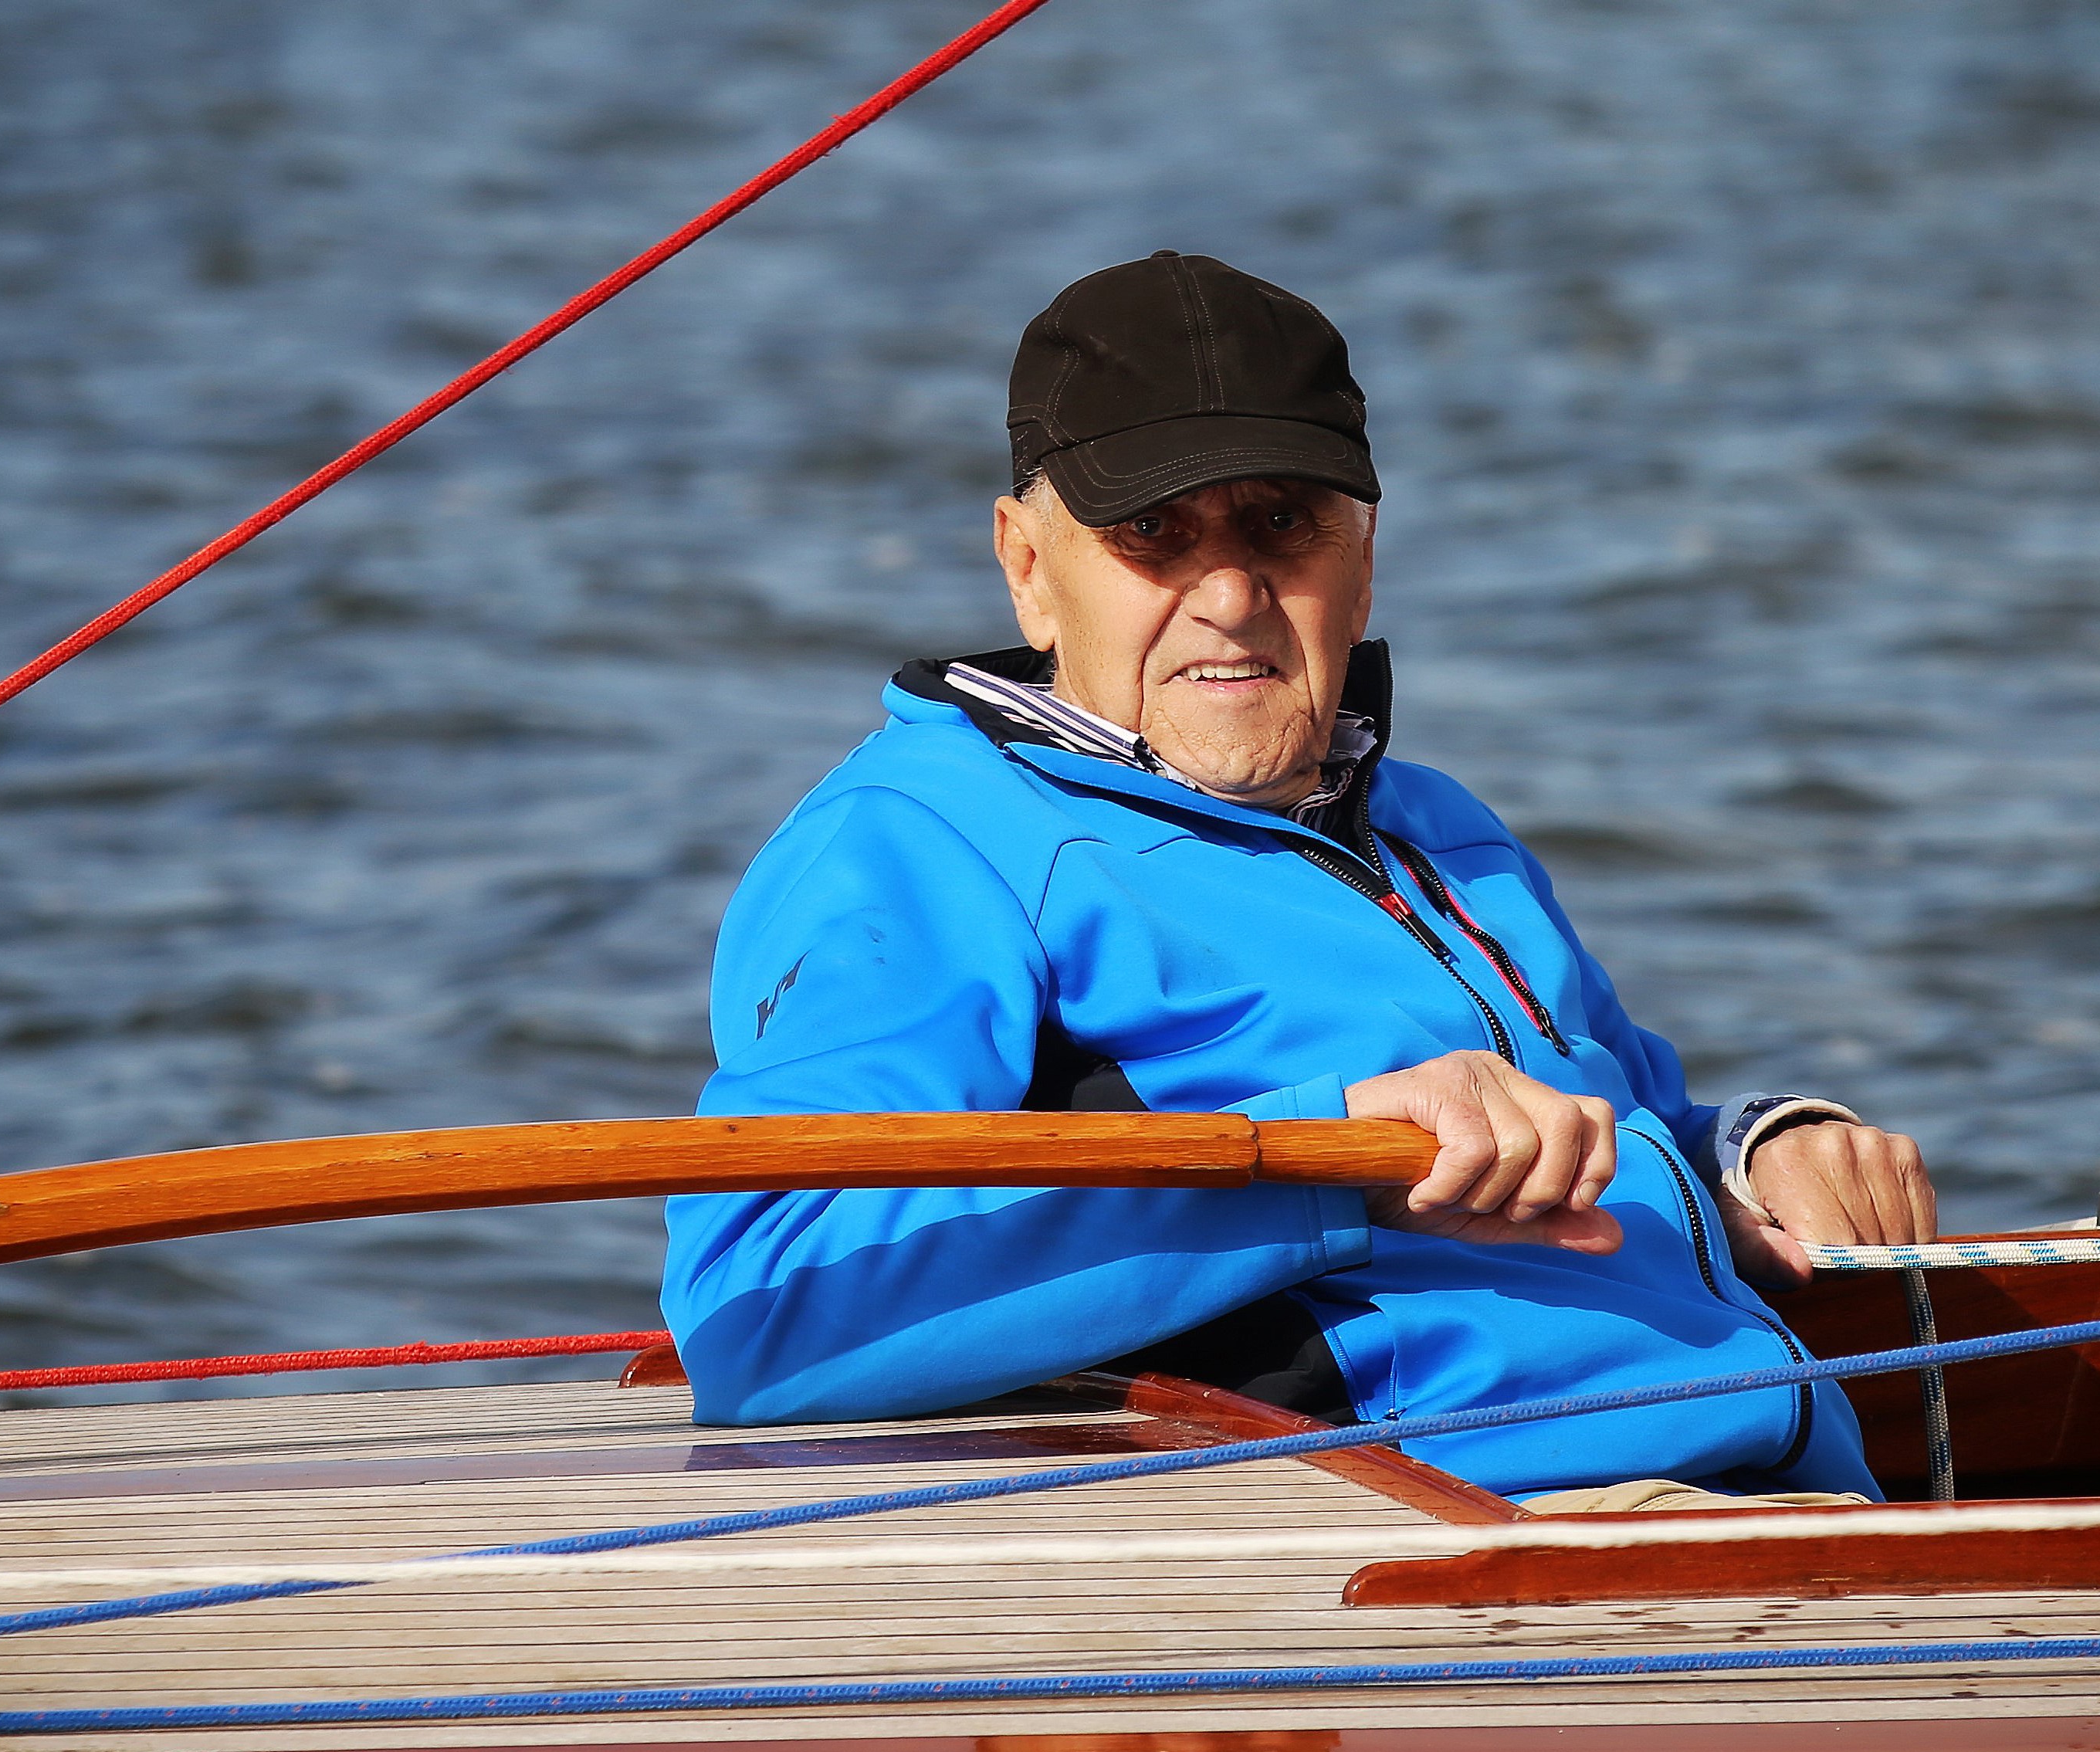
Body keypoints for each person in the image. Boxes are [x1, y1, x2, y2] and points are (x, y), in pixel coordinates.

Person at [661, 252, 1935, 1505]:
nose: (1227, 592)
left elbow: (1621, 1118)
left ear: (1362, 558)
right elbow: (764, 1315)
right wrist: (1336, 1159)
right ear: (1028, 568)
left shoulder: (1439, 825)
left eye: (1281, 523)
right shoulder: (910, 848)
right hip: (1452, 1536)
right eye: (1151, 533)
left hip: (1754, 1479)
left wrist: (1759, 1149)